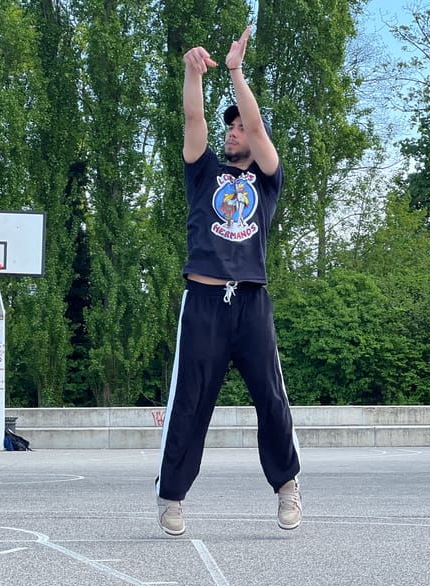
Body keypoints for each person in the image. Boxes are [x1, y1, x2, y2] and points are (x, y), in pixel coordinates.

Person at [155, 26, 302, 536]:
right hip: (204, 299)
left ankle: (287, 486)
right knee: (190, 401)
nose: (233, 131)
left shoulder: (266, 177)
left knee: (270, 396)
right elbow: (193, 116)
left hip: (252, 302)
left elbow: (260, 128)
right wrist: (193, 74)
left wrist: (237, 71)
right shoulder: (204, 171)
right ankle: (171, 496)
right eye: (230, 128)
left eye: (238, 127)